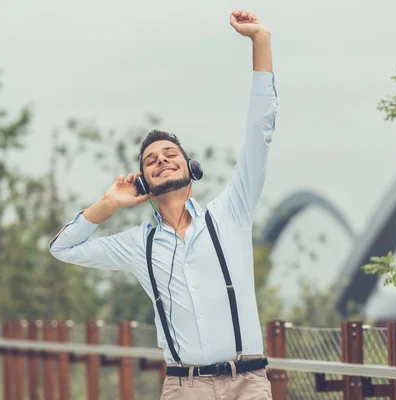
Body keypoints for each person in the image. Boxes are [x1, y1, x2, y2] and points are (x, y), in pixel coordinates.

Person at [49, 9, 278, 400]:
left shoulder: (232, 213)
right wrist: (107, 204)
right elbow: (62, 248)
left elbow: (260, 130)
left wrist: (261, 41)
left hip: (247, 382)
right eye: (151, 161)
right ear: (143, 183)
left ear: (191, 168)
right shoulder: (140, 244)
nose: (162, 161)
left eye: (171, 154)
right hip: (183, 385)